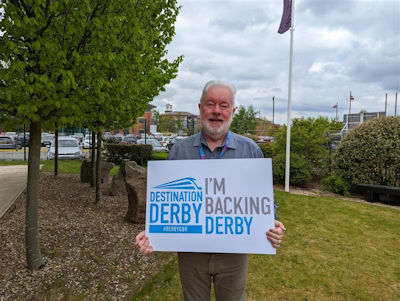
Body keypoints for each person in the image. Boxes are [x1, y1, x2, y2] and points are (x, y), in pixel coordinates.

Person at [135, 80, 286, 301]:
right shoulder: (179, 151)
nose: (216, 111)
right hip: (191, 254)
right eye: (210, 104)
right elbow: (167, 200)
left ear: (233, 111)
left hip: (234, 253)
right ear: (200, 108)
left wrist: (272, 221)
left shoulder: (250, 150)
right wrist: (152, 232)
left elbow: (263, 199)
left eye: (224, 105)